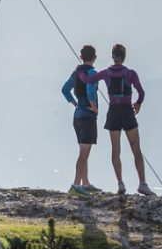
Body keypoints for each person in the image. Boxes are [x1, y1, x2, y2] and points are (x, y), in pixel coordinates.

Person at [77, 43, 152, 197]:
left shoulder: (106, 73)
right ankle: (143, 184)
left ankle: (120, 183)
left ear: (112, 56)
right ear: (124, 57)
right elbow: (141, 92)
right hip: (127, 112)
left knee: (115, 149)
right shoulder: (131, 74)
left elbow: (88, 80)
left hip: (113, 113)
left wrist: (79, 70)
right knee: (135, 149)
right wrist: (137, 104)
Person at [60, 44, 102, 196]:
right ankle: (76, 185)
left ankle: (85, 183)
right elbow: (91, 90)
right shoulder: (92, 72)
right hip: (88, 116)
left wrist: (75, 103)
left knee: (83, 150)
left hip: (77, 115)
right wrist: (94, 107)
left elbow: (65, 89)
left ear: (81, 57)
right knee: (84, 153)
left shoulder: (76, 72)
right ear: (95, 57)